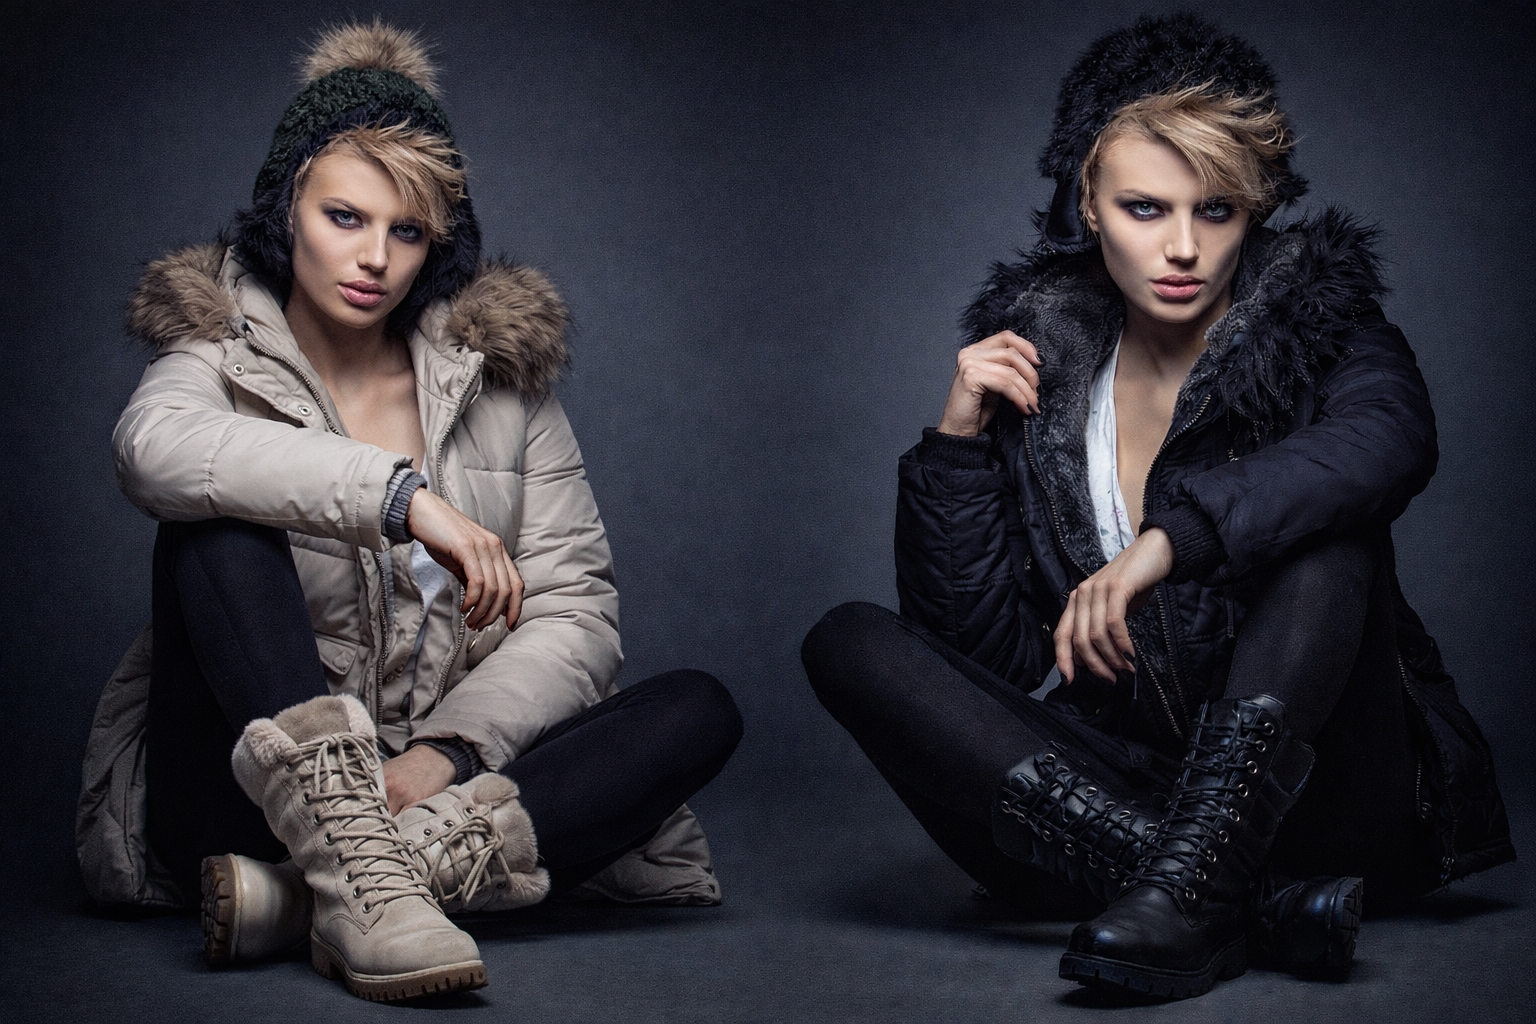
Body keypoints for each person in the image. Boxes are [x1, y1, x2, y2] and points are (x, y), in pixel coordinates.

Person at [802, 13, 1512, 1000]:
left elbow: (1389, 442)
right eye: (1145, 208)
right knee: (848, 641)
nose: (1183, 248)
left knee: (1329, 536)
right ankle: (1231, 898)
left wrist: (1167, 543)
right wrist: (958, 444)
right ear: (1086, 201)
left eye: (1215, 211)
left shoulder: (1326, 325)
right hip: (1124, 785)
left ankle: (1200, 878)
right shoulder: (1045, 368)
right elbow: (987, 660)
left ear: (1253, 209)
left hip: (1322, 793)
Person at [79, 20, 742, 1002]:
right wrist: (402, 498)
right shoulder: (216, 352)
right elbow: (151, 449)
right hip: (237, 787)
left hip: (431, 786)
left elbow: (575, 613)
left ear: (438, 240)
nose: (374, 258)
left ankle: (331, 891)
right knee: (212, 520)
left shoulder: (501, 385)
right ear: (286, 207)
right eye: (344, 216)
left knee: (697, 708)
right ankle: (348, 861)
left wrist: (447, 752)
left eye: (407, 231)